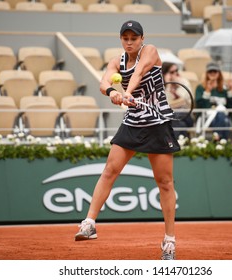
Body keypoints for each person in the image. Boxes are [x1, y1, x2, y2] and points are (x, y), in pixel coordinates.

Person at [74, 20, 180, 260]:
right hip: (133, 122)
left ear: (142, 38)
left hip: (157, 122)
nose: (130, 42)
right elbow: (104, 82)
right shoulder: (116, 61)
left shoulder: (150, 51)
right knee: (110, 170)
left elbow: (141, 71)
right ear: (121, 39)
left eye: (134, 38)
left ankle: (169, 241)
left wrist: (128, 92)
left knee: (164, 182)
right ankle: (89, 223)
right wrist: (113, 93)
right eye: (126, 38)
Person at [195, 62, 232, 140]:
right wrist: (207, 91)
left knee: (223, 118)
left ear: (219, 73)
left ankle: (218, 138)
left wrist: (230, 91)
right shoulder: (200, 88)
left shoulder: (224, 89)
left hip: (222, 118)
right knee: (224, 120)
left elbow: (231, 107)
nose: (212, 73)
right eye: (210, 71)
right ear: (207, 73)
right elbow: (200, 106)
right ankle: (222, 143)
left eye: (215, 71)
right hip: (206, 118)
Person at [161, 61, 193, 138]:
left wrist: (177, 84)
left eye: (176, 71)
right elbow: (164, 103)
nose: (175, 74)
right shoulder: (161, 86)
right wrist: (168, 86)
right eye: (172, 72)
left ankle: (173, 145)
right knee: (181, 125)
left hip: (186, 114)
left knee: (173, 116)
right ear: (164, 74)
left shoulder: (183, 82)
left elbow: (184, 100)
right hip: (171, 118)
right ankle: (181, 143)